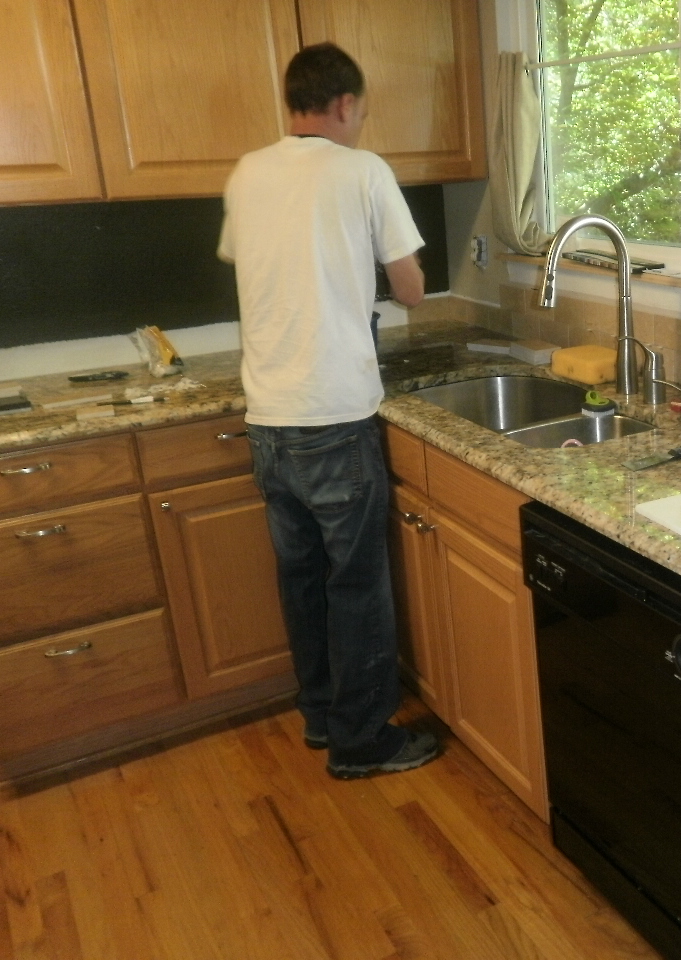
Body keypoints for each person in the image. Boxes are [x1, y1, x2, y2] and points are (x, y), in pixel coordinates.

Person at [218, 42, 437, 779]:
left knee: (303, 579)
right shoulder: (364, 170)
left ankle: (321, 717)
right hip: (335, 416)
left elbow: (259, 259)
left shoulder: (248, 172)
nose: (359, 124)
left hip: (269, 418)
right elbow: (409, 291)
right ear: (344, 105)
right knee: (356, 586)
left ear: (294, 104)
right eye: (362, 113)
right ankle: (362, 742)